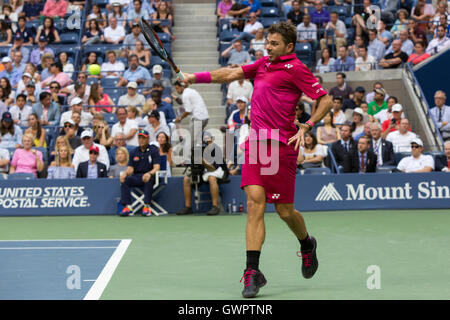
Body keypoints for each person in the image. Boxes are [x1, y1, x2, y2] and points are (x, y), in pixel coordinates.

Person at [180, 21, 333, 298]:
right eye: (267, 43)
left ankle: (307, 244)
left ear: (289, 46)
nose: (268, 47)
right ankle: (253, 271)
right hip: (257, 145)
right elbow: (230, 73)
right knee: (254, 204)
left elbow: (325, 100)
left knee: (286, 212)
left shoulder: (296, 69)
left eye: (274, 44)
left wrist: (307, 125)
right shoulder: (262, 64)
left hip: (282, 147)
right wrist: (194, 77)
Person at [176, 131, 226, 216]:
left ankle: (215, 206)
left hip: (214, 172)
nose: (207, 141)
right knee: (186, 179)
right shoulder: (197, 149)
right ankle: (188, 207)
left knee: (211, 178)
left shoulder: (216, 150)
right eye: (205, 140)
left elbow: (213, 168)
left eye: (209, 139)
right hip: (201, 173)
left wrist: (202, 161)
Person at [119, 129, 161, 217]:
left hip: (150, 176)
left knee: (148, 179)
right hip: (137, 176)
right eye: (139, 138)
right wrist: (125, 173)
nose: (141, 140)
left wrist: (149, 173)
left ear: (148, 139)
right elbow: (130, 168)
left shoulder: (153, 151)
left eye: (143, 138)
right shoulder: (134, 151)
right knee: (125, 180)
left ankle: (146, 206)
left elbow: (157, 167)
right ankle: (128, 206)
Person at [173, 81, 209, 151]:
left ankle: (187, 158)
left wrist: (179, 118)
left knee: (192, 141)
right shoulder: (190, 91)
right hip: (205, 117)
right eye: (175, 89)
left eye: (177, 88)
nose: (177, 91)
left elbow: (188, 111)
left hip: (198, 118)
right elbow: (183, 103)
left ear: (182, 86)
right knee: (195, 140)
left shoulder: (185, 95)